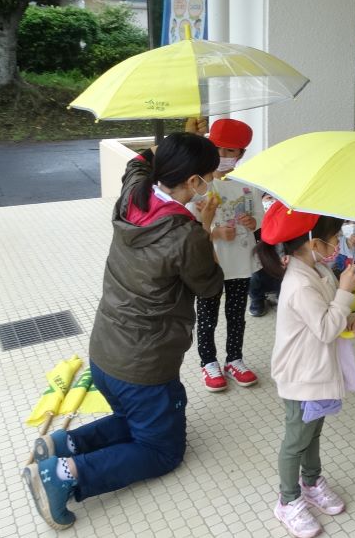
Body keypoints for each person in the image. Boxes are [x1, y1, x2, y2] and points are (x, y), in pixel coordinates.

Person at [23, 133, 222, 531]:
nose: (214, 182)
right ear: (194, 181)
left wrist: (172, 147)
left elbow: (137, 162)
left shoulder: (134, 192)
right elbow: (210, 285)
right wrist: (206, 225)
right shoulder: (185, 235)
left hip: (104, 353)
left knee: (134, 420)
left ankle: (62, 443)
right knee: (162, 450)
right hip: (144, 369)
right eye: (211, 176)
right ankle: (62, 474)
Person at [256, 205, 355, 538]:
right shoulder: (299, 284)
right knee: (296, 440)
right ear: (313, 242)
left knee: (313, 432)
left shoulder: (319, 270)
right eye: (333, 238)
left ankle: (310, 482)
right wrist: (346, 292)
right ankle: (288, 500)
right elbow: (324, 327)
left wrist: (351, 320)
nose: (337, 244)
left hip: (318, 370)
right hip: (301, 376)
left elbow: (330, 314)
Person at [191, 119, 260, 391]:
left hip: (241, 263)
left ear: (241, 154)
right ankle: (208, 362)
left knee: (236, 315)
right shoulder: (200, 184)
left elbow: (259, 218)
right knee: (207, 317)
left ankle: (234, 359)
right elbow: (189, 228)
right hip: (210, 263)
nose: (223, 155)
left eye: (230, 150)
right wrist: (216, 233)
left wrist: (253, 223)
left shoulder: (249, 183)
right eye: (218, 148)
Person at [249, 191, 284, 317]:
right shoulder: (255, 221)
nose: (272, 202)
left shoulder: (283, 219)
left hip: (279, 265)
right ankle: (257, 299)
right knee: (253, 275)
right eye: (269, 198)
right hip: (259, 268)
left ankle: (283, 298)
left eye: (276, 199)